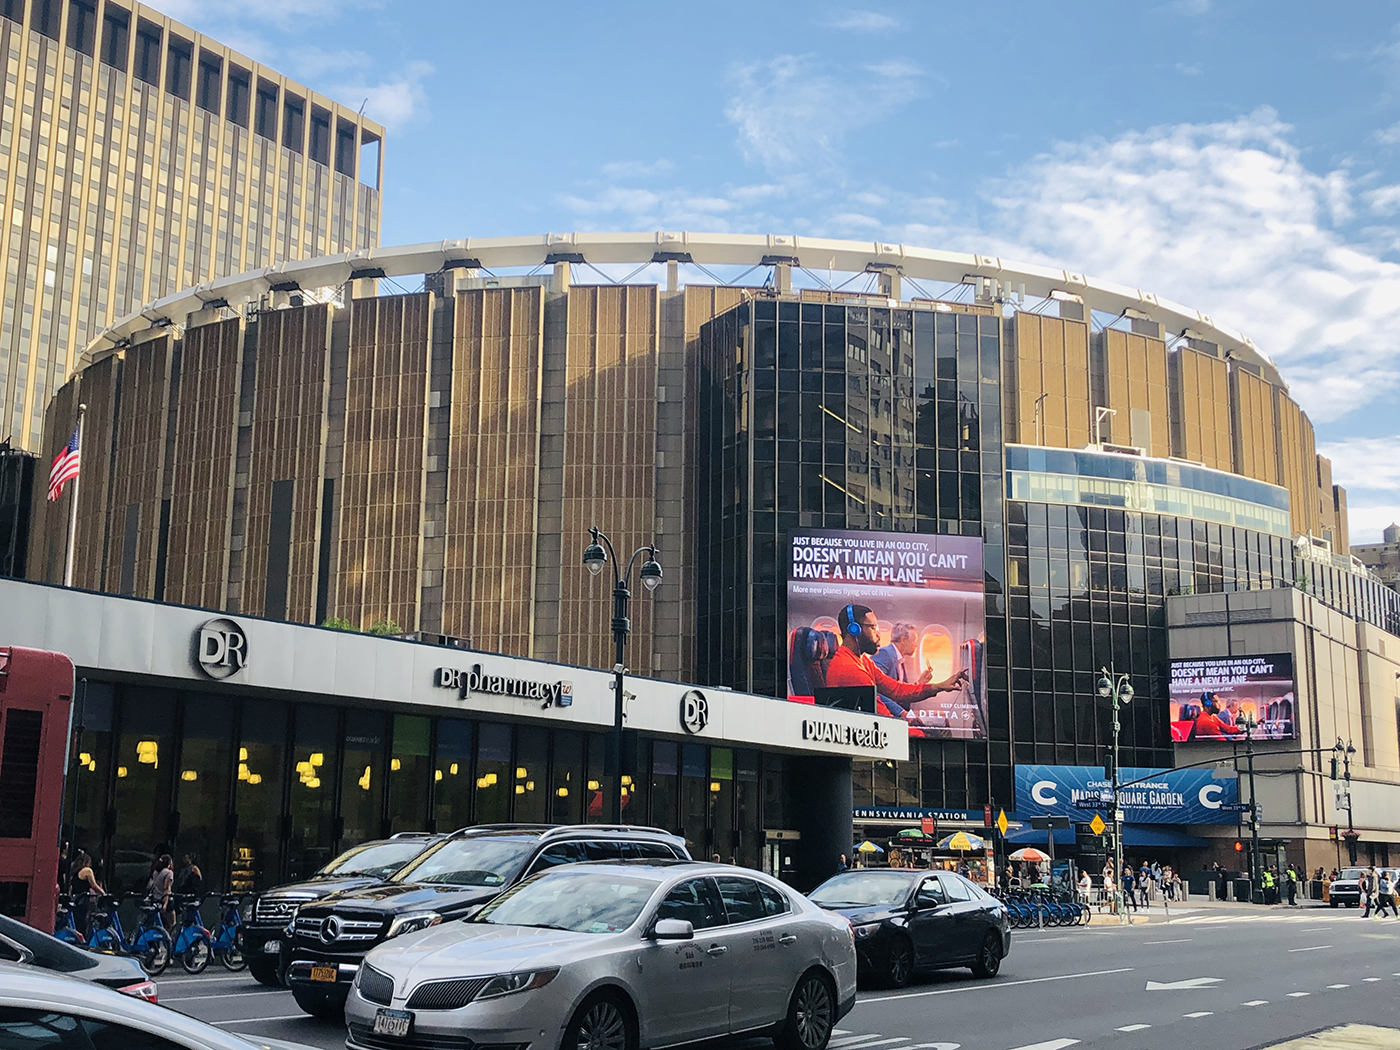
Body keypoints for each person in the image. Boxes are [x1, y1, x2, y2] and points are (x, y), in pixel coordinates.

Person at [825, 605, 968, 717]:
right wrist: (916, 728)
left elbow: (897, 690)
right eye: (873, 627)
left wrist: (939, 686)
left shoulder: (862, 661)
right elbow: (884, 719)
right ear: (854, 630)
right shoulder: (850, 669)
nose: (879, 634)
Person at [873, 623, 929, 714]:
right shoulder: (885, 654)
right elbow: (875, 691)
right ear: (903, 640)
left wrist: (920, 683)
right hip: (886, 715)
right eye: (914, 640)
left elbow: (902, 693)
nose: (916, 645)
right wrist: (900, 712)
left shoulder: (899, 660)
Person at [68, 850, 102, 937]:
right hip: (83, 899)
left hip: (76, 899)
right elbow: (94, 885)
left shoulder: (75, 872)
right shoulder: (87, 871)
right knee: (84, 920)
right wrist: (104, 893)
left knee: (77, 919)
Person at [150, 853, 175, 931]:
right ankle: (168, 939)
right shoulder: (169, 873)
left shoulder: (155, 872)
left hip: (155, 898)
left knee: (158, 920)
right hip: (164, 899)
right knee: (172, 922)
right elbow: (167, 888)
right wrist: (165, 904)